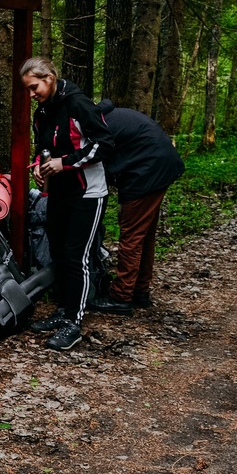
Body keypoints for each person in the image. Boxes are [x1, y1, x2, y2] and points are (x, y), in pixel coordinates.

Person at [23, 57, 115, 351]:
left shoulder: (78, 103)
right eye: (27, 89)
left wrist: (67, 163)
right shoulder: (42, 112)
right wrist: (39, 164)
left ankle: (74, 322)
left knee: (77, 255)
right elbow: (45, 148)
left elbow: (105, 144)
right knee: (59, 252)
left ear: (49, 78)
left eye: (34, 87)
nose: (31, 94)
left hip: (87, 192)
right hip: (59, 193)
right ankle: (63, 310)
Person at [88, 99, 184, 314]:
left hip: (147, 172)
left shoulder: (99, 127)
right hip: (160, 167)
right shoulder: (113, 117)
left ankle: (121, 296)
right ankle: (140, 290)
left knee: (131, 236)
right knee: (144, 234)